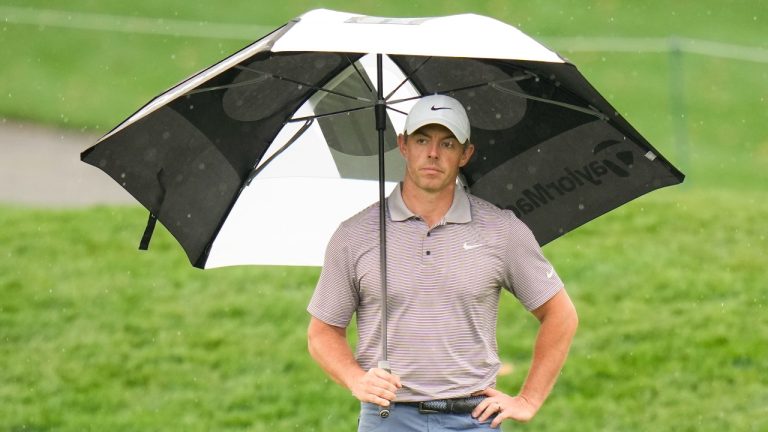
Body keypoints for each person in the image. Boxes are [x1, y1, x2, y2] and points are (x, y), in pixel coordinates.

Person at [307, 94, 578, 431]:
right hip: (388, 417)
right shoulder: (355, 235)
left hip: (472, 419)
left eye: (447, 143)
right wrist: (355, 378)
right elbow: (322, 332)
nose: (433, 153)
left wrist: (528, 400)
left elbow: (560, 315)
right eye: (422, 140)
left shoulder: (501, 229)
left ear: (466, 154)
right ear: (403, 145)